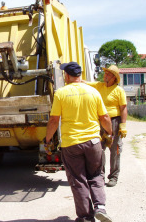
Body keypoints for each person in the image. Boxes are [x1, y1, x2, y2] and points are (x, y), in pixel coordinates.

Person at [46, 62, 113, 222]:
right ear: (80, 75)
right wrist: (109, 133)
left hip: (71, 144)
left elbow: (54, 120)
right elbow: (104, 117)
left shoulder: (61, 93)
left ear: (67, 76)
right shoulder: (93, 91)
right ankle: (100, 207)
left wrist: (48, 139)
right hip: (93, 142)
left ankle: (85, 217)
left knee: (78, 180)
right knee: (96, 175)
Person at [84, 65, 127, 187]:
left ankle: (113, 177)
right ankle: (99, 175)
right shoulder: (99, 86)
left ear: (114, 77)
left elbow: (123, 108)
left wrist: (123, 125)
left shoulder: (119, 91)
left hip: (115, 122)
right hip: (101, 121)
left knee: (115, 150)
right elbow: (84, 83)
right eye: (105, 73)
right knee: (99, 149)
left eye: (108, 74)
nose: (105, 75)